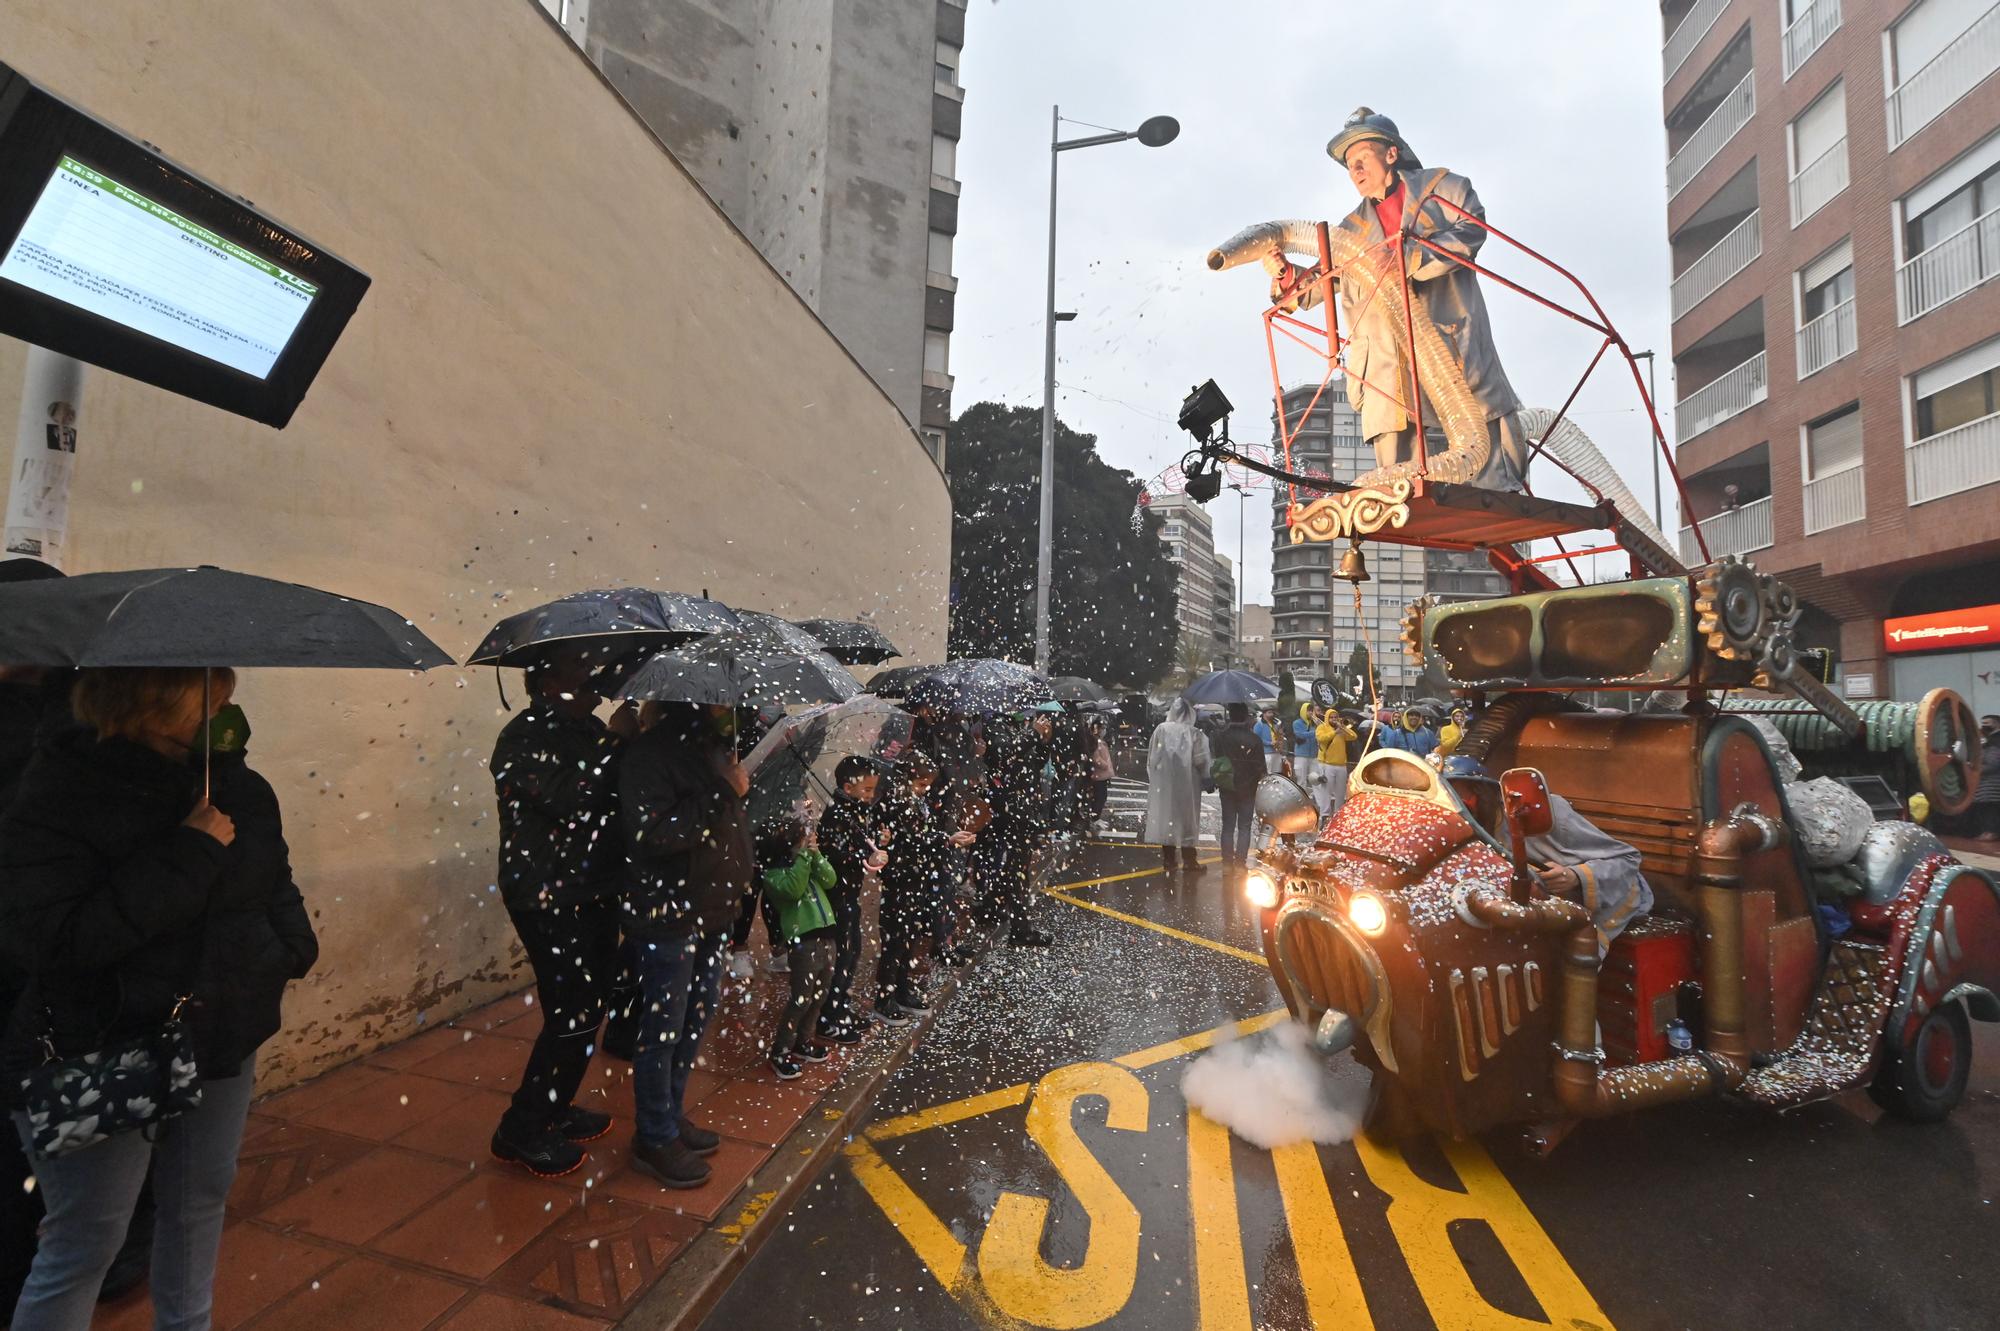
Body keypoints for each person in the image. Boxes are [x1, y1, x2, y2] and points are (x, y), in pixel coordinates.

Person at [2, 668, 317, 1331]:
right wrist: (190, 850)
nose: (227, 707)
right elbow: (57, 939)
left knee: (196, 1204)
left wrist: (290, 948)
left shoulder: (239, 787)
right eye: (211, 694)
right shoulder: (62, 788)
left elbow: (272, 881)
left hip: (219, 1029)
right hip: (104, 1043)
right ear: (156, 700)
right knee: (87, 1237)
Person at [1264, 108, 1528, 491]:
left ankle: (1499, 491)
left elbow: (1472, 229)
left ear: (1390, 154)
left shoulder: (1442, 189)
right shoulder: (1351, 231)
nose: (1354, 170)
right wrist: (1286, 275)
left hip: (1445, 333)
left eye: (1361, 159)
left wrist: (1407, 257)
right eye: (1349, 165)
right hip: (1388, 354)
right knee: (1392, 433)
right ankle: (1397, 494)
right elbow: (1317, 286)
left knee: (1480, 412)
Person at [487, 645, 628, 1177]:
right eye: (579, 669)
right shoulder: (522, 738)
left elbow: (614, 797)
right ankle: (519, 1131)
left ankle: (554, 1106)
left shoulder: (588, 730)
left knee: (587, 1008)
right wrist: (617, 740)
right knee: (571, 1013)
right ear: (547, 683)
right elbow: (573, 798)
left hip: (593, 889)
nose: (593, 676)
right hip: (548, 895)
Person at [618, 702, 742, 1190]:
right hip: (669, 913)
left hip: (710, 910)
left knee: (695, 1018)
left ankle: (670, 1115)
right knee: (662, 1029)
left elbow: (717, 823)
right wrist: (722, 792)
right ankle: (653, 1135)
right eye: (718, 696)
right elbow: (656, 834)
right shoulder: (649, 756)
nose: (725, 704)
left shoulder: (708, 749)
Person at [1442, 755, 1652, 952]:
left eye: (1461, 800)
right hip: (1537, 905)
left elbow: (1628, 858)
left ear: (1482, 794)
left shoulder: (1544, 814)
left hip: (1610, 894)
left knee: (1566, 959)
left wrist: (1576, 876)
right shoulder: (1461, 828)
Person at [876, 756, 973, 1020]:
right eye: (921, 784)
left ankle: (903, 988)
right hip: (900, 880)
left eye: (927, 785)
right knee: (895, 942)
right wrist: (946, 840)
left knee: (910, 937)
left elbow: (923, 836)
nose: (925, 789)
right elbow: (912, 841)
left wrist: (944, 839)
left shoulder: (914, 802)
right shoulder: (895, 804)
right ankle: (885, 997)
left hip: (916, 878)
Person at [755, 817, 838, 1080]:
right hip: (804, 943)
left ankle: (804, 1040)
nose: (807, 844)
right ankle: (780, 1051)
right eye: (801, 841)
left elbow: (830, 879)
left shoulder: (806, 863)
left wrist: (816, 855)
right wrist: (804, 858)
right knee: (801, 998)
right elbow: (793, 890)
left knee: (819, 995)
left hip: (826, 937)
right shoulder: (775, 874)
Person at [817, 756, 889, 1035]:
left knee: (852, 950)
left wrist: (878, 841)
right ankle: (829, 1014)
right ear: (848, 788)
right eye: (867, 790)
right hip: (838, 893)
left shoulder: (855, 809)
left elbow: (859, 840)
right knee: (843, 953)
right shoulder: (837, 814)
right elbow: (834, 854)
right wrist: (865, 855)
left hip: (850, 892)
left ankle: (840, 1005)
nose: (871, 796)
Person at [978, 710, 1056, 947]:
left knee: (1014, 867)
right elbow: (1004, 754)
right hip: (1008, 809)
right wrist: (1033, 734)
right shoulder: (995, 725)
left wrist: (1044, 742)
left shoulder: (1015, 726)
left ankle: (989, 907)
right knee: (1017, 870)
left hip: (1022, 808)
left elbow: (1032, 763)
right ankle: (1020, 929)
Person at [1144, 699, 1211, 875]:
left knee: (1167, 818)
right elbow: (1201, 759)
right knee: (1188, 819)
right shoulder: (1194, 733)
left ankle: (1169, 859)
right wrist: (1207, 777)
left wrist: (1156, 777)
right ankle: (1189, 859)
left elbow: (1153, 757)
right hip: (1188, 784)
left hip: (1165, 783)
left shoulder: (1161, 730)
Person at [1209, 703, 1266, 875]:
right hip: (1248, 787)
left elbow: (1217, 757)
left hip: (1227, 785)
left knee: (1227, 826)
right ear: (1246, 717)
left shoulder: (1220, 736)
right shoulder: (1254, 739)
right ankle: (1240, 864)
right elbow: (1260, 767)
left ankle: (1227, 864)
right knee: (1244, 826)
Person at [1315, 708, 1359, 821]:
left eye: (1335, 717)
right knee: (1327, 791)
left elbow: (1354, 736)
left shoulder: (1341, 730)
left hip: (1341, 765)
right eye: (1331, 717)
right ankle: (1324, 815)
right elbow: (1321, 738)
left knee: (1340, 792)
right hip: (1328, 764)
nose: (1334, 719)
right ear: (1327, 718)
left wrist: (1343, 727)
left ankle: (1338, 814)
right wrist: (1334, 732)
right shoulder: (1322, 728)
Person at [1086, 716, 1116, 827]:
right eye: (1102, 727)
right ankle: (1094, 818)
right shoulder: (1095, 741)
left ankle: (1096, 817)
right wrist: (1105, 765)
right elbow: (1096, 759)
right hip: (1099, 774)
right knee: (1100, 797)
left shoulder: (1100, 741)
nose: (1104, 730)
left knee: (1101, 796)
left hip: (1102, 774)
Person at [1976, 714, 2000, 842]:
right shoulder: (1989, 740)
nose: (1984, 726)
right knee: (1986, 809)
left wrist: (1976, 769)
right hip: (1987, 784)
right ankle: (1988, 831)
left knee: (1990, 809)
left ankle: (1991, 832)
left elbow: (1993, 762)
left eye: (1987, 723)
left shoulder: (1996, 741)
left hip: (1993, 783)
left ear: (1997, 723)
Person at [1291, 703, 1319, 796]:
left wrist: (1320, 727)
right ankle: (1302, 800)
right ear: (1303, 711)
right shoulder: (1296, 723)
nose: (1310, 713)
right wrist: (1316, 731)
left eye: (1312, 711)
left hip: (1314, 755)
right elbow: (1300, 734)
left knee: (1315, 779)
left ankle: (1317, 800)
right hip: (1301, 755)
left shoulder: (1315, 723)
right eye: (1308, 710)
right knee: (1301, 779)